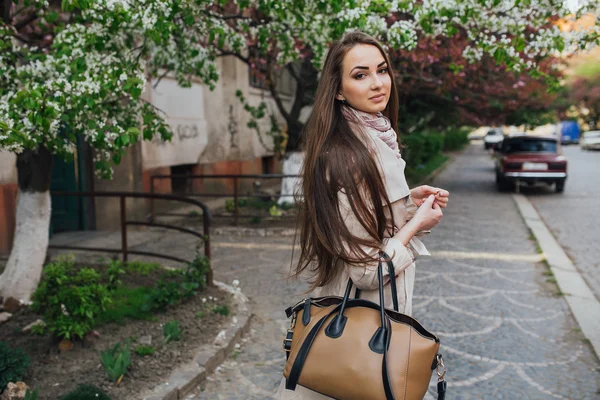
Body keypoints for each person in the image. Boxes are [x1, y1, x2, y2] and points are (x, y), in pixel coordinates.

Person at [276, 31, 449, 399]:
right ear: (338, 90)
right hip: (357, 322)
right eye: (360, 75)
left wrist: (405, 204)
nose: (377, 83)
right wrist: (416, 223)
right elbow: (367, 270)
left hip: (360, 317)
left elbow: (366, 220)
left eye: (382, 70)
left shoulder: (372, 137)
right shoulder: (351, 155)